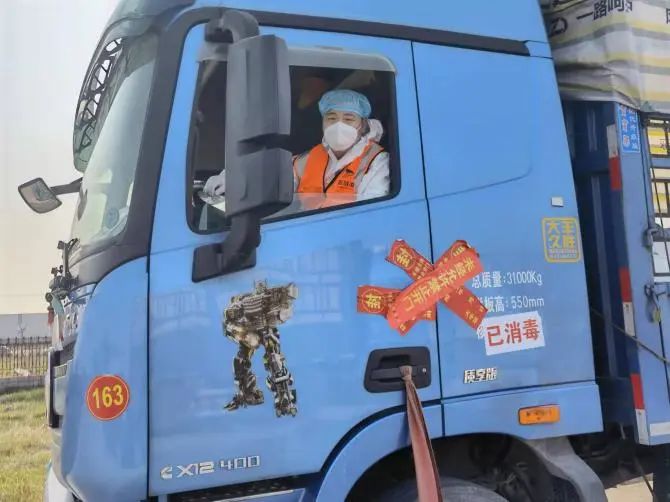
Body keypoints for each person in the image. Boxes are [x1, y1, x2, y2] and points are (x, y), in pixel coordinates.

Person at [203, 89, 390, 210]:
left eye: (349, 119)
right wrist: (233, 178)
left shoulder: (376, 161)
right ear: (323, 122)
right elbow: (272, 174)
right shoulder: (313, 156)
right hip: (305, 239)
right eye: (331, 118)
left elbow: (372, 213)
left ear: (362, 124)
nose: (338, 125)